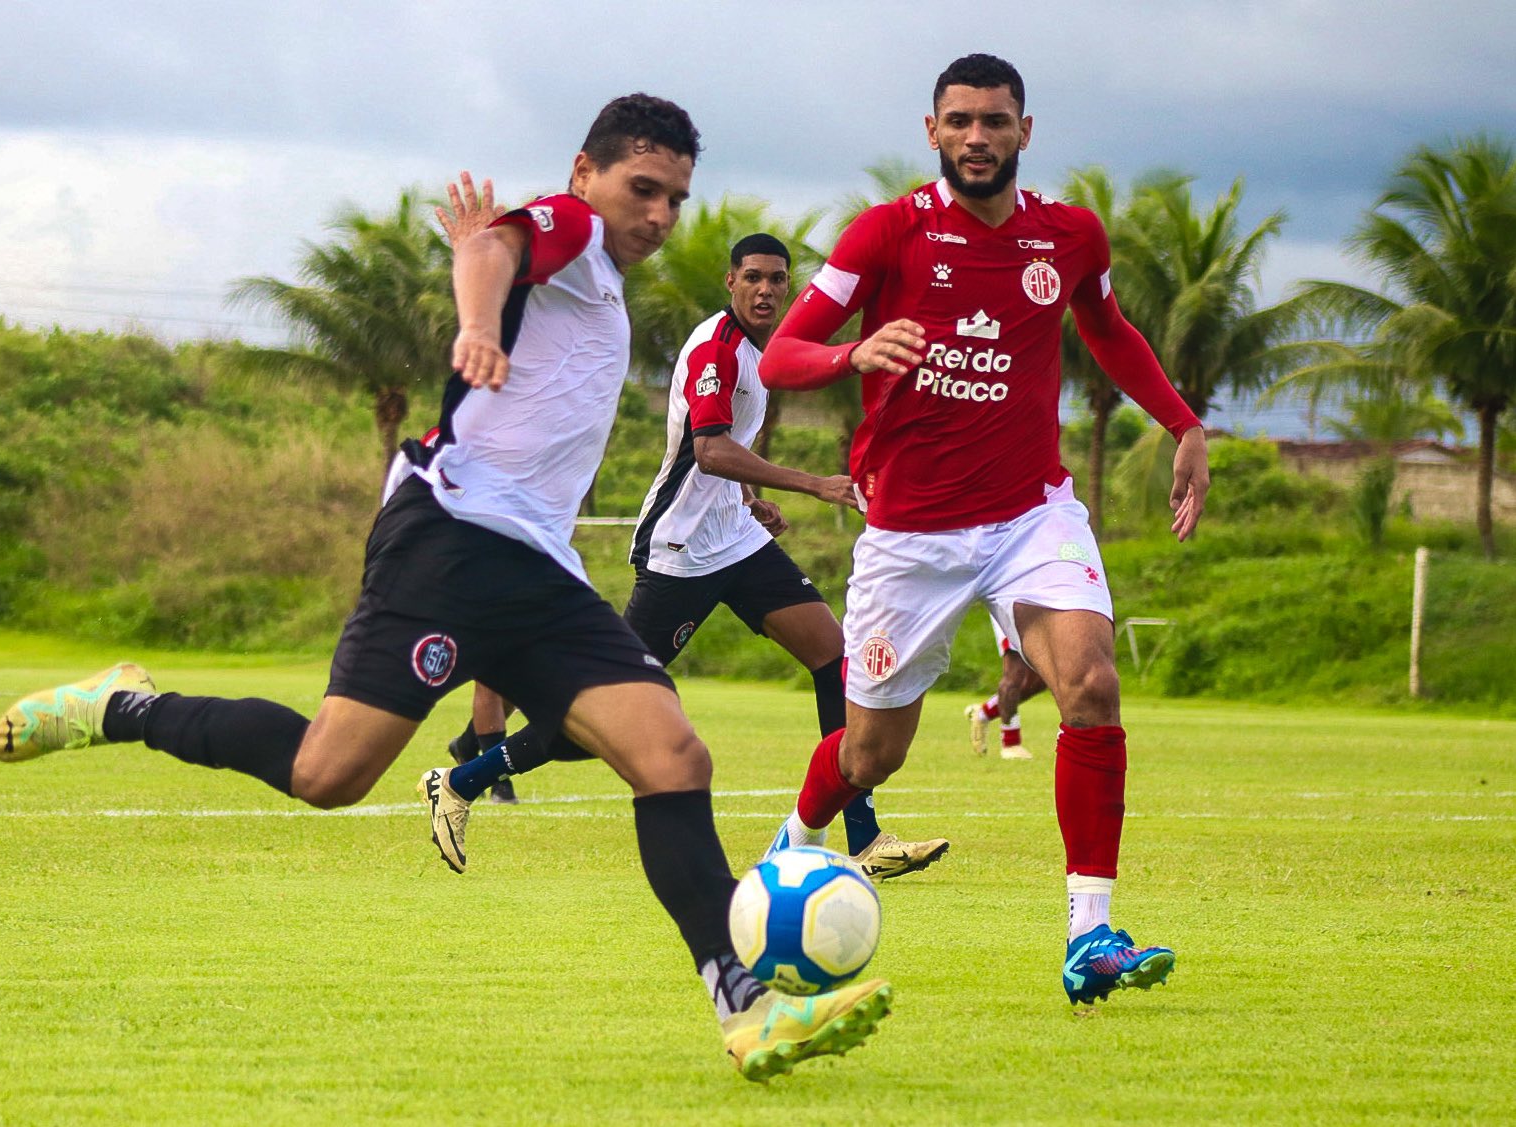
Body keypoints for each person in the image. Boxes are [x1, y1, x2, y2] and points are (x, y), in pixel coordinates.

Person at [0, 95, 889, 1080]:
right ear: (585, 173)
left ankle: (744, 1002)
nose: (659, 214)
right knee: (328, 775)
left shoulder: (603, 286)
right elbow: (491, 247)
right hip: (446, 541)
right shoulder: (573, 228)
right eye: (643, 188)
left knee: (671, 751)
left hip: (537, 569)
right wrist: (473, 322)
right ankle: (120, 707)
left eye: (674, 197)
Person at [756, 54, 1209, 1006]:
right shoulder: (886, 234)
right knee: (869, 754)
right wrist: (854, 350)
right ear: (932, 132)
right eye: (958, 120)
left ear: (1023, 132)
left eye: (993, 121)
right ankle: (785, 860)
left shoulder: (1069, 236)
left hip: (1028, 513)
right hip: (909, 537)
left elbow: (1110, 332)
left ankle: (1091, 935)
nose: (976, 137)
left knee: (1088, 680)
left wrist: (1182, 424)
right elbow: (785, 353)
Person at [422, 230, 951, 882]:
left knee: (832, 657)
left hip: (735, 538)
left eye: (776, 279)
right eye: (751, 277)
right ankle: (463, 778)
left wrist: (751, 499)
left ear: (790, 286)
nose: (764, 289)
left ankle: (862, 835)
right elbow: (707, 449)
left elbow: (726, 447)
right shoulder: (720, 350)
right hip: (681, 551)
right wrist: (814, 483)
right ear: (729, 282)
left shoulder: (761, 352)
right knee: (606, 714)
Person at [965, 613, 1047, 759]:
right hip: (1012, 601)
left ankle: (984, 713)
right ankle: (1010, 743)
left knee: (1041, 679)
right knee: (1015, 672)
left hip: (1044, 605)